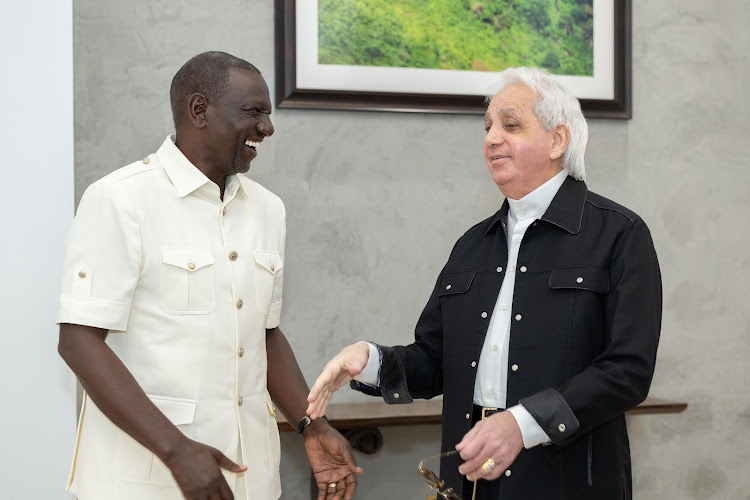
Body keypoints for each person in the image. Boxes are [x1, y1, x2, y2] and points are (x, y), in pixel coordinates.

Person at [306, 67, 662, 500]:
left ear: (557, 140)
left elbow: (627, 371)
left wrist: (521, 423)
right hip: (468, 479)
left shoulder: (620, 235)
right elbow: (435, 360)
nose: (492, 137)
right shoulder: (472, 245)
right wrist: (371, 360)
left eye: (511, 125)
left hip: (567, 481)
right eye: (488, 126)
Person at [57, 51, 361, 500]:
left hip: (251, 479)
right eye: (253, 111)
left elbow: (265, 335)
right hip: (147, 480)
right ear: (199, 110)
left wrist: (312, 425)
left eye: (268, 114)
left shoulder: (268, 209)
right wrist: (177, 451)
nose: (267, 127)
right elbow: (78, 341)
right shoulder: (120, 199)